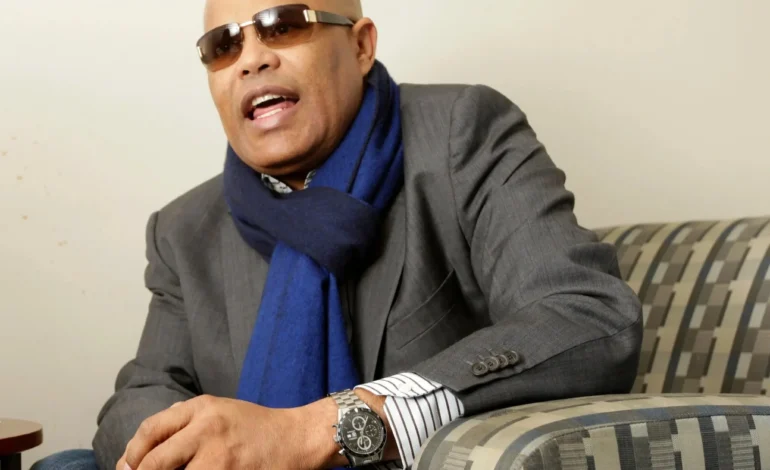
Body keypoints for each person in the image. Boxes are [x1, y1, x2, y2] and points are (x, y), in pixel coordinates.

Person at [33, 1, 642, 469]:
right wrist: (196, 447)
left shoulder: (463, 135)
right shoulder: (184, 228)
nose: (250, 59)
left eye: (283, 25)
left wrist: (312, 431)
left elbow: (587, 316)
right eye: (223, 44)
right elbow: (140, 392)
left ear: (360, 45)